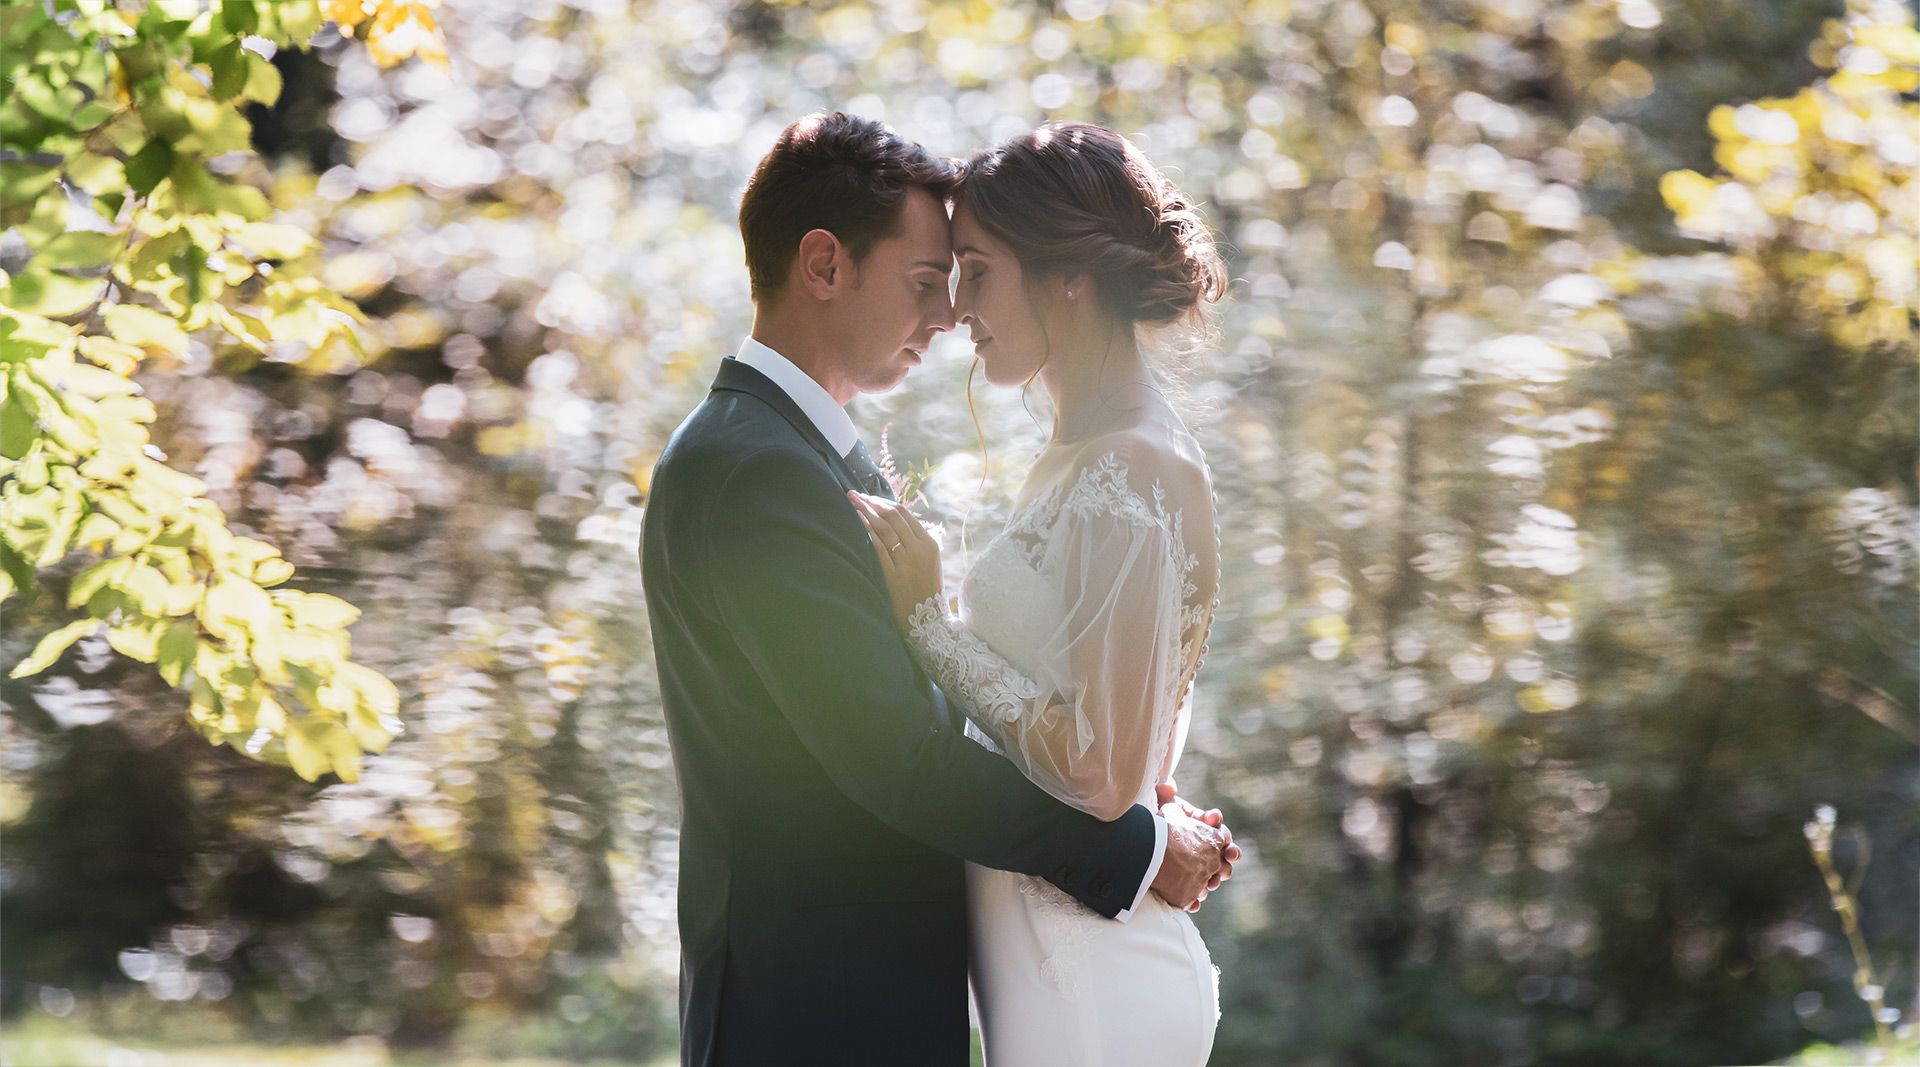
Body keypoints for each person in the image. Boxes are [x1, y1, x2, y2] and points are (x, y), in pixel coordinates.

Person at [639, 112, 1237, 1067]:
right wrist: (1134, 848)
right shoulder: (754, 473)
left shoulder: (797, 454)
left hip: (900, 992)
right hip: (818, 1010)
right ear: (825, 265)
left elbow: (967, 709)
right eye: (928, 280)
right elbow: (895, 755)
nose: (949, 312)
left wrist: (1129, 795)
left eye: (966, 277)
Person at [848, 121, 1228, 1067]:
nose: (956, 306)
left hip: (1094, 979)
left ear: (1067, 274)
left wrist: (931, 627)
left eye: (976, 269)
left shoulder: (1132, 467)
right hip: (1045, 960)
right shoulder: (1084, 451)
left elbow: (1100, 772)